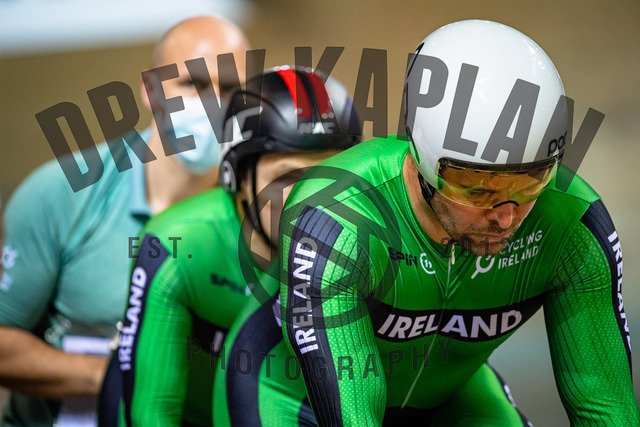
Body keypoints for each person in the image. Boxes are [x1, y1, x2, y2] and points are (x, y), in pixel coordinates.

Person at [218, 20, 639, 425]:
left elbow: (605, 407)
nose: (506, 216)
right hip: (293, 401)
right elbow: (351, 414)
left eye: (530, 183)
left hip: (450, 398)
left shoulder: (573, 222)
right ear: (422, 159)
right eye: (477, 188)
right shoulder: (335, 215)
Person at [0, 16, 250, 425]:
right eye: (193, 84)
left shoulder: (256, 217)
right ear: (150, 90)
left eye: (231, 89)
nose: (212, 105)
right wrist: (123, 374)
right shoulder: (62, 195)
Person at [115, 66, 360, 426]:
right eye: (288, 177)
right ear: (239, 179)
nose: (313, 199)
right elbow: (152, 411)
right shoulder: (178, 245)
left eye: (332, 174)